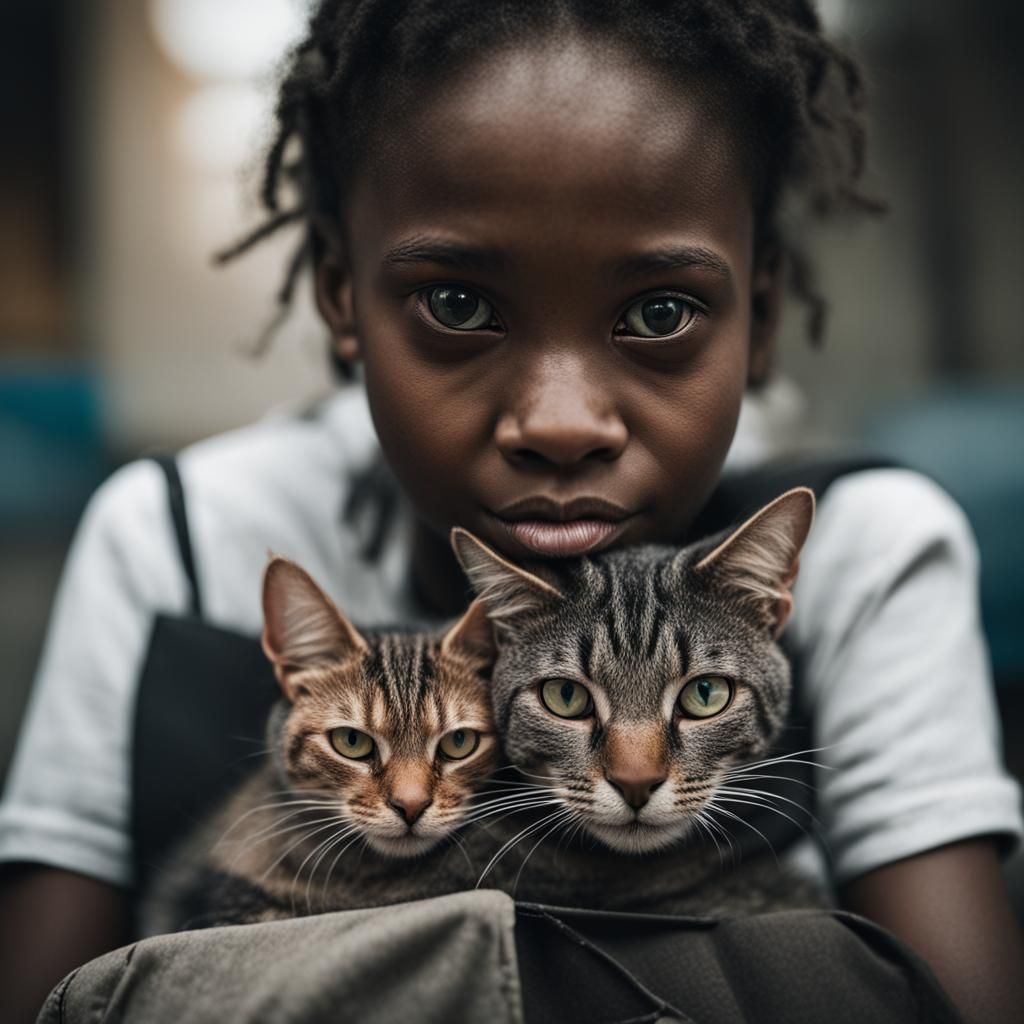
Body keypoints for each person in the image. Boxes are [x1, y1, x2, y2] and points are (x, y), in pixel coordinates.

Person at [2, 1, 1022, 1021]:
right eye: (458, 305)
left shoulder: (865, 542)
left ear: (758, 318)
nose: (560, 422)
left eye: (658, 312)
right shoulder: (172, 537)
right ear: (340, 297)